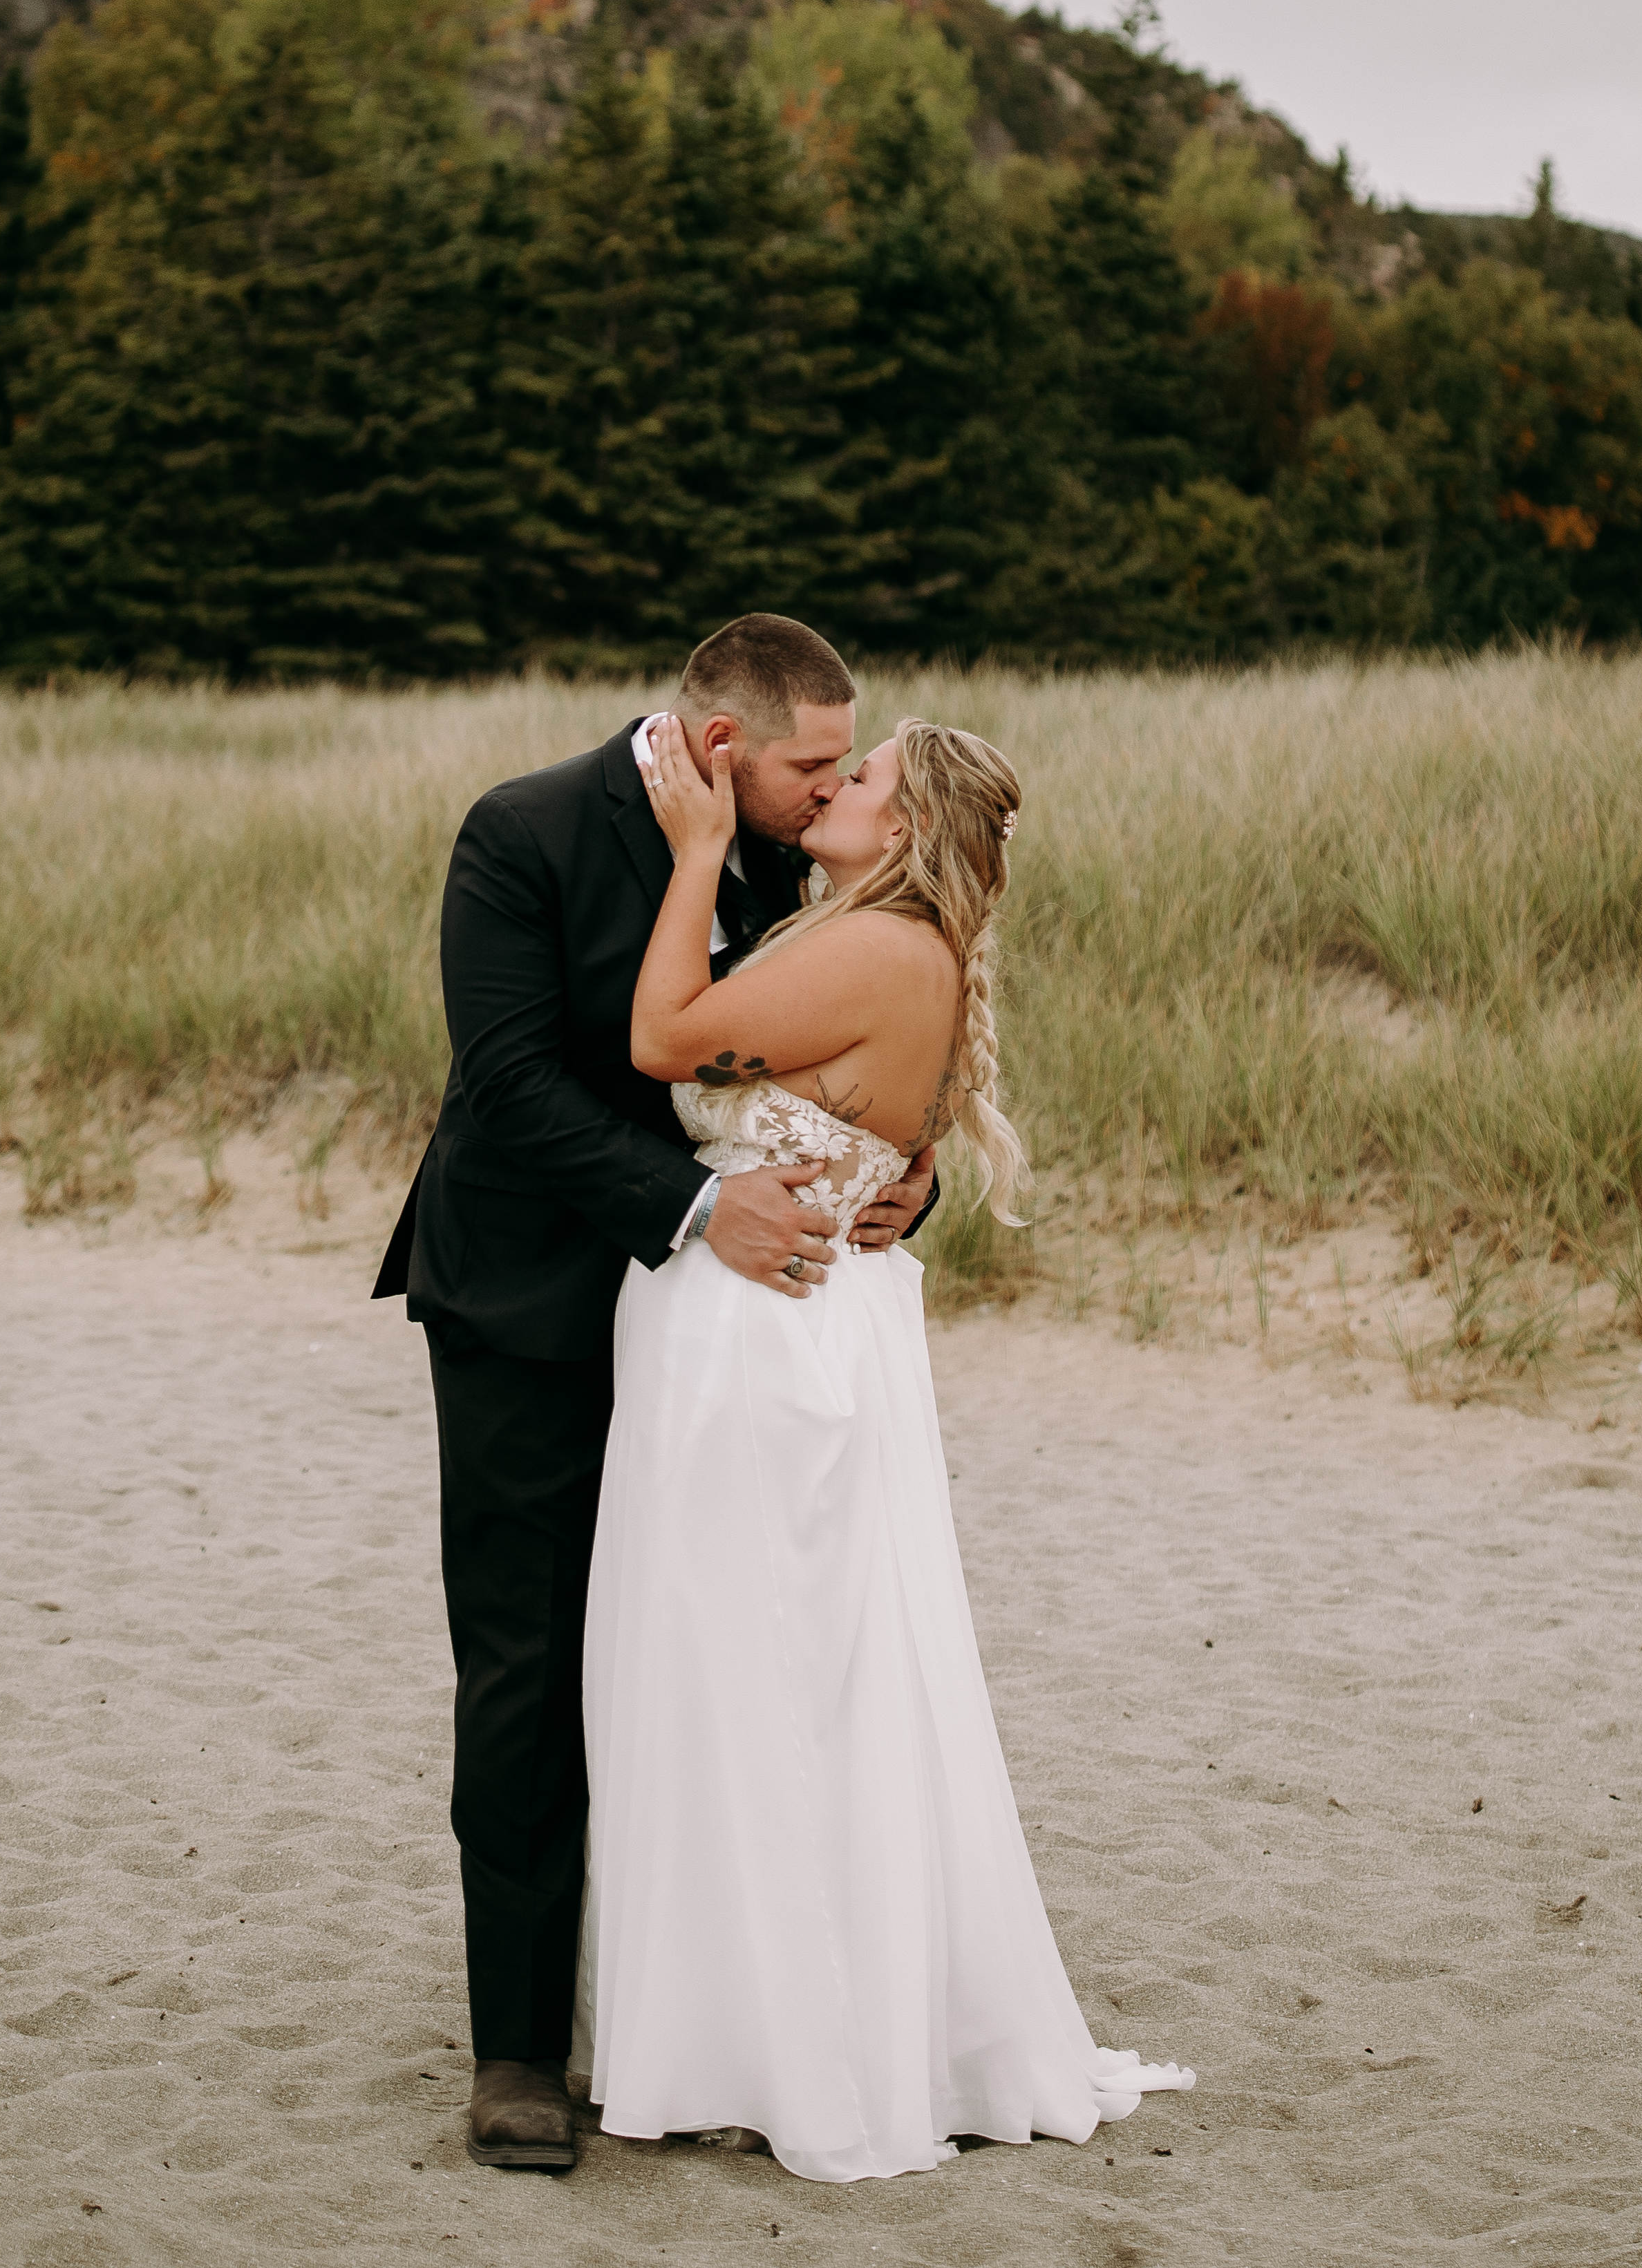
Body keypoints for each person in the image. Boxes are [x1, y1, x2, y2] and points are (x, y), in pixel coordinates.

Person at [572, 708, 1193, 2182]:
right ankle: (779, 2020)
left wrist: (698, 847)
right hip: (797, 1324)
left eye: (861, 777)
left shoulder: (868, 946)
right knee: (795, 1683)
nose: (836, 787)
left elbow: (662, 1036)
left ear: (904, 829)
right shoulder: (878, 941)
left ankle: (774, 2040)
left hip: (764, 1343)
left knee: (749, 1679)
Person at [372, 614, 938, 2171]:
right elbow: (507, 1082)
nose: (830, 789)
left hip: (726, 1342)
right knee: (529, 1661)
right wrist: (694, 1209)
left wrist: (905, 1173)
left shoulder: (796, 851)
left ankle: (721, 2011)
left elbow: (855, 1048)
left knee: (727, 1659)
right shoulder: (524, 829)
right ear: (717, 745)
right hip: (530, 1312)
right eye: (809, 762)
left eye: (843, 763)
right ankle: (513, 2052)